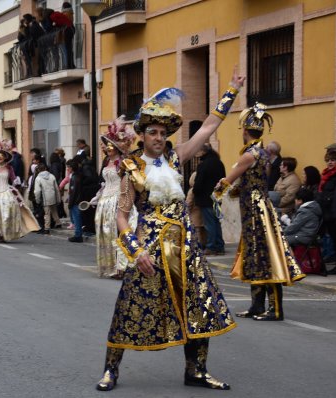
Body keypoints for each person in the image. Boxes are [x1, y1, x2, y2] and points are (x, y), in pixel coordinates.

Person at [97, 69, 245, 392]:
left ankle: (197, 369)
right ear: (142, 135)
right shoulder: (132, 169)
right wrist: (135, 252)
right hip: (149, 248)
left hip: (185, 246)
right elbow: (122, 217)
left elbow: (207, 127)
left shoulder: (177, 159)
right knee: (130, 306)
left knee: (200, 305)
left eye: (163, 133)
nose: (159, 138)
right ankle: (111, 369)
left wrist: (230, 92)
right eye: (153, 132)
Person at [213, 102, 304, 322]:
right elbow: (254, 182)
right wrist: (237, 191)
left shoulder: (249, 155)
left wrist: (217, 191)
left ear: (245, 131)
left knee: (266, 256)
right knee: (255, 256)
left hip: (256, 211)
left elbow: (230, 178)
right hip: (256, 207)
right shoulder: (262, 153)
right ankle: (256, 305)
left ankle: (275, 309)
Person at [91, 117, 137, 278]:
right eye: (107, 147)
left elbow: (128, 181)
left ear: (117, 148)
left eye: (111, 147)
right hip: (105, 201)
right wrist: (97, 197)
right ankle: (109, 265)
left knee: (118, 234)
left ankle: (120, 267)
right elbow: (104, 183)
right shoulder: (106, 162)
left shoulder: (123, 163)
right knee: (106, 233)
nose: (108, 149)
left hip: (118, 200)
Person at [0, 139, 39, 242]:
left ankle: (5, 233)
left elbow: (13, 179)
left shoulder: (9, 168)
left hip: (6, 190)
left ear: (5, 158)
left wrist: (17, 181)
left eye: (2, 156)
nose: (0, 158)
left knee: (8, 210)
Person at [193, 143, 226, 255]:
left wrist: (195, 192)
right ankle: (219, 246)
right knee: (216, 222)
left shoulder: (203, 165)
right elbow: (223, 181)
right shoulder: (219, 163)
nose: (196, 153)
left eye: (198, 150)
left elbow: (198, 184)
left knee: (209, 224)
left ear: (203, 151)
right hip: (216, 197)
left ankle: (211, 247)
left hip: (205, 198)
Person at [317, 149, 336, 275]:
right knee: (333, 238)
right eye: (328, 160)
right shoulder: (327, 174)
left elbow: (334, 193)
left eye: (332, 160)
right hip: (326, 211)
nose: (330, 163)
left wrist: (326, 198)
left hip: (333, 211)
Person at [33, 163, 61, 234]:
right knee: (54, 210)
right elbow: (56, 188)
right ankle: (58, 223)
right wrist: (58, 198)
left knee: (47, 213)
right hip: (53, 196)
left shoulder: (38, 178)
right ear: (45, 168)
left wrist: (38, 200)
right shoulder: (52, 176)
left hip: (45, 197)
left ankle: (47, 228)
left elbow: (37, 191)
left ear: (38, 170)